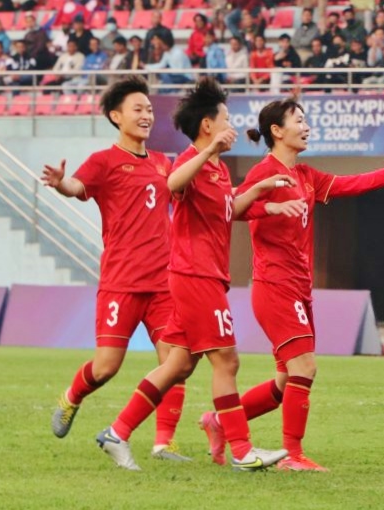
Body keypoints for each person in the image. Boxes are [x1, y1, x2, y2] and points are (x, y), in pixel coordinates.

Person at [198, 98, 384, 472]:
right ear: (277, 131)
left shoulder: (305, 175)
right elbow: (230, 209)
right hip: (274, 285)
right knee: (305, 366)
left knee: (284, 380)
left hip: (299, 288)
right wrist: (266, 204)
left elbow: (352, 183)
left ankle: (220, 422)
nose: (307, 127)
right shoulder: (264, 172)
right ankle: (292, 455)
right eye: (299, 121)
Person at [95, 78, 292, 472]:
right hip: (194, 275)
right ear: (208, 125)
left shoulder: (217, 170)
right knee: (227, 361)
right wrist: (208, 154)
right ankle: (242, 450)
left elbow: (228, 209)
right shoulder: (191, 160)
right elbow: (172, 185)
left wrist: (261, 193)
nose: (231, 125)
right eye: (226, 118)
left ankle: (116, 432)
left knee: (178, 365)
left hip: (206, 276)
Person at [43, 77, 189, 462]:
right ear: (116, 116)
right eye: (138, 109)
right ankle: (72, 397)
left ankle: (163, 444)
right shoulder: (103, 161)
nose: (146, 115)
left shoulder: (163, 162)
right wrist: (61, 185)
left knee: (176, 364)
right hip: (121, 283)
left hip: (163, 283)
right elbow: (76, 186)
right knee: (107, 367)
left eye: (149, 109)